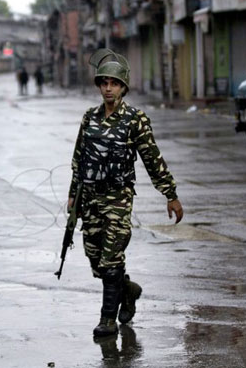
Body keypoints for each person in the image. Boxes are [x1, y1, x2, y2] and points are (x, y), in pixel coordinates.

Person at [68, 48, 184, 338]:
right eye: (104, 83)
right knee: (95, 259)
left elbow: (152, 158)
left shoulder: (135, 119)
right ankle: (128, 290)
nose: (108, 88)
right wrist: (74, 196)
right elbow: (78, 159)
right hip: (91, 197)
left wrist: (170, 193)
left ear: (123, 87)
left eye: (114, 83)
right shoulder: (89, 118)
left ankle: (107, 320)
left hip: (118, 198)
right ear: (99, 85)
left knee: (111, 259)